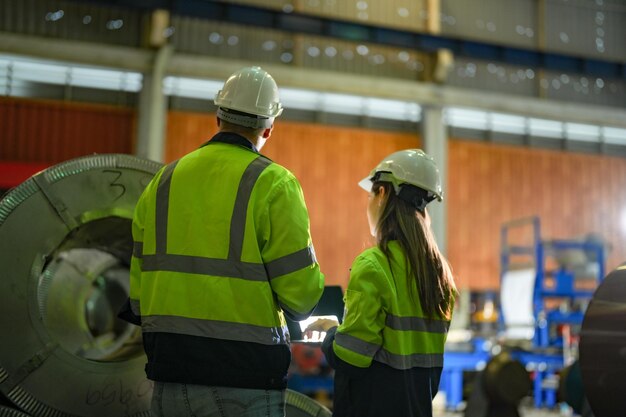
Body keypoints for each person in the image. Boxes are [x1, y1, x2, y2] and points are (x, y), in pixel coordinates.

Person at [119, 66, 325, 417]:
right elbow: (301, 296)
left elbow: (138, 294)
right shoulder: (275, 184)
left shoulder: (163, 181)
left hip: (169, 373)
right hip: (244, 378)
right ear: (269, 128)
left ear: (218, 117)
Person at [306, 149, 456, 417]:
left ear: (383, 193)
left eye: (370, 194)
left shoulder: (375, 264)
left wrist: (330, 333)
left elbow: (350, 357)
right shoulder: (439, 274)